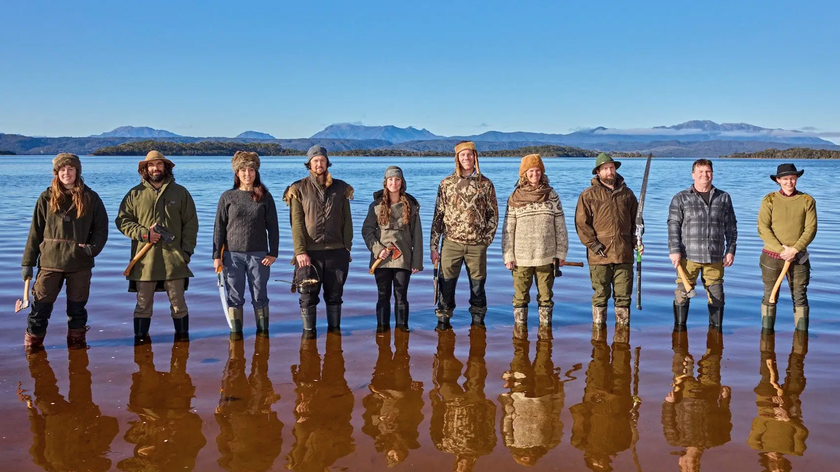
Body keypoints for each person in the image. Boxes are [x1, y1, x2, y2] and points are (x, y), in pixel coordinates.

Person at [21, 153, 109, 351]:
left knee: (77, 310)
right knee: (40, 310)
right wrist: (27, 263)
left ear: (77, 172)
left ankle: (77, 351)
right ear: (56, 173)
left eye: (70, 169)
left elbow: (101, 229)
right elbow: (35, 232)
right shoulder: (46, 197)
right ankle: (32, 351)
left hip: (79, 262)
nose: (66, 173)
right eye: (62, 170)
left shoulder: (91, 197)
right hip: (49, 262)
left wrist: (91, 249)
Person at [116, 150, 198, 342]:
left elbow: (191, 225)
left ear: (166, 167)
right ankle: (141, 350)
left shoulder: (180, 193)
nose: (155, 168)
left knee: (179, 305)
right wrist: (144, 234)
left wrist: (186, 253)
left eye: (159, 164)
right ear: (144, 169)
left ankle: (182, 349)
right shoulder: (135, 194)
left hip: (175, 260)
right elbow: (122, 221)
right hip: (144, 261)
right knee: (143, 306)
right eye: (151, 165)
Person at [282, 145, 354, 334]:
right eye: (315, 161)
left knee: (335, 296)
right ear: (309, 164)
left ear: (327, 162)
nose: (319, 164)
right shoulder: (298, 188)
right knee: (307, 296)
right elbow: (296, 224)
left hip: (337, 251)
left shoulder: (341, 187)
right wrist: (300, 252)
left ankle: (334, 335)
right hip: (309, 254)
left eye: (322, 160)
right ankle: (308, 337)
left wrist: (347, 248)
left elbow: (347, 220)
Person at [430, 141, 498, 329]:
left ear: (475, 157)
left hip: (477, 245)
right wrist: (434, 246)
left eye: (469, 154)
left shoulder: (485, 184)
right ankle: (443, 323)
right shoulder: (446, 184)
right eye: (462, 155)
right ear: (457, 158)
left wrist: (486, 240)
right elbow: (438, 216)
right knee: (446, 286)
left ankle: (478, 323)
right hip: (451, 243)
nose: (466, 158)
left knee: (478, 287)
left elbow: (493, 215)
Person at [213, 151, 279, 335]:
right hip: (232, 256)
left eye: (251, 170)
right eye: (242, 170)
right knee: (234, 297)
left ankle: (263, 335)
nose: (247, 174)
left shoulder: (265, 197)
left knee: (260, 296)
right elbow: (219, 227)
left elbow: (273, 227)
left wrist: (273, 252)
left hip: (259, 256)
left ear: (256, 172)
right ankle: (236, 337)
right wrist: (217, 256)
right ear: (236, 173)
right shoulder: (228, 197)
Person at [667, 159, 738, 328]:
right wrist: (674, 250)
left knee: (717, 295)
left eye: (708, 171)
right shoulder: (681, 198)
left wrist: (731, 250)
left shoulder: (723, 197)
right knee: (682, 294)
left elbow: (731, 227)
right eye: (700, 172)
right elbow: (673, 225)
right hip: (687, 255)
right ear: (693, 175)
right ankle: (679, 332)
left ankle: (716, 335)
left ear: (712, 174)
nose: (704, 175)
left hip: (715, 255)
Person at [502, 154, 568, 328]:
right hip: (521, 258)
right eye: (531, 171)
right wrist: (508, 255)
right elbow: (508, 229)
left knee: (546, 298)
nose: (535, 174)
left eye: (538, 170)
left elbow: (560, 226)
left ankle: (545, 336)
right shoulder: (515, 197)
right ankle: (520, 336)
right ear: (524, 173)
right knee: (520, 298)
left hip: (546, 256)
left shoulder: (551, 195)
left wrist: (561, 253)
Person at [575, 153, 639, 326]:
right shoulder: (588, 195)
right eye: (605, 169)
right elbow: (581, 224)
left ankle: (623, 336)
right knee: (600, 296)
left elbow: (637, 221)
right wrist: (594, 245)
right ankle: (598, 336)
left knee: (624, 297)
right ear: (598, 172)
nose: (610, 171)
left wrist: (637, 240)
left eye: (612, 168)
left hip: (624, 253)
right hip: (599, 256)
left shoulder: (627, 194)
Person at [361, 166, 423, 332]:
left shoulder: (411, 206)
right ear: (385, 183)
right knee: (383, 296)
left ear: (402, 183)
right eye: (390, 180)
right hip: (381, 259)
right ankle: (382, 331)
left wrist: (417, 261)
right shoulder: (375, 206)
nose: (394, 183)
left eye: (397, 180)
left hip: (403, 259)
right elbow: (366, 231)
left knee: (401, 296)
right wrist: (377, 249)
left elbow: (417, 235)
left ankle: (402, 332)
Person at [758, 164, 817, 332]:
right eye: (785, 179)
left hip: (799, 258)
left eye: (792, 178)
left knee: (800, 296)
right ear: (778, 180)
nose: (789, 182)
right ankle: (767, 342)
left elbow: (811, 229)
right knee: (770, 295)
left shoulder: (807, 200)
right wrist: (781, 250)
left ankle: (801, 343)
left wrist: (795, 249)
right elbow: (763, 228)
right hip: (772, 257)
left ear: (796, 178)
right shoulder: (769, 200)